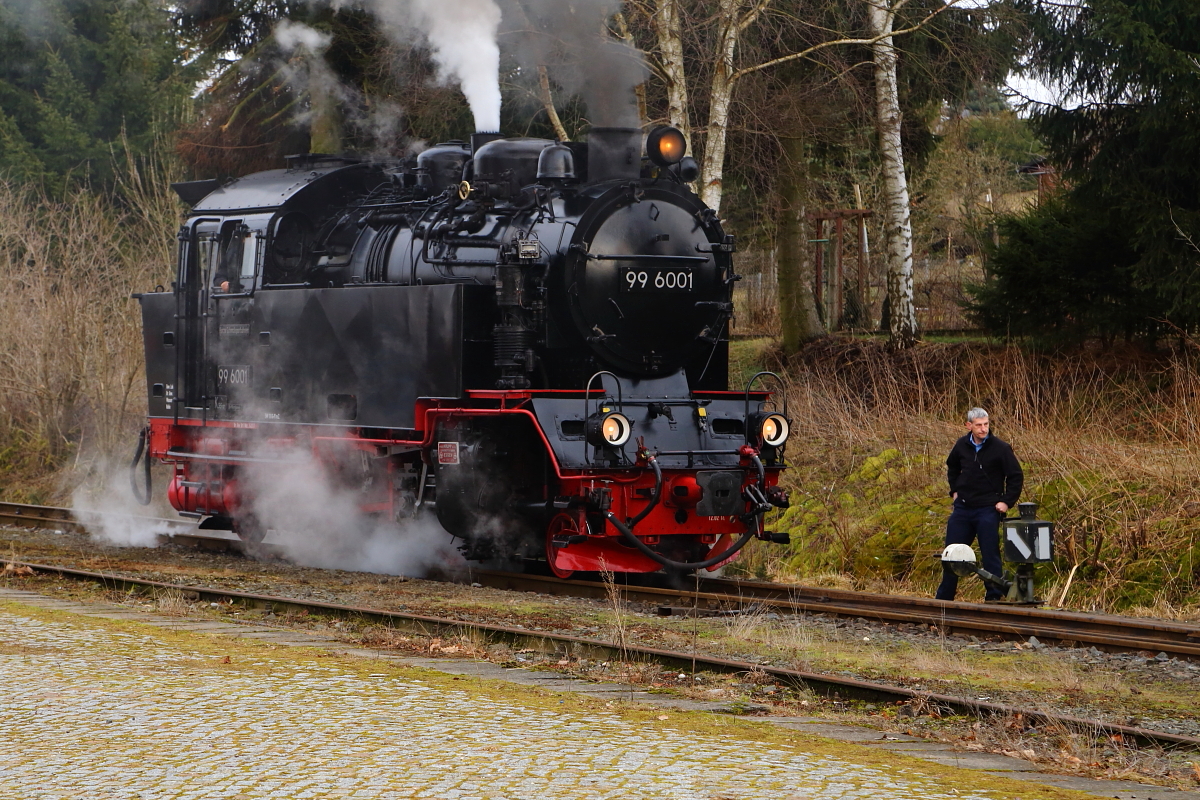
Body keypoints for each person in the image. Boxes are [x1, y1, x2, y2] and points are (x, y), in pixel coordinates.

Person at [937, 407, 1023, 601]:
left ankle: (993, 597)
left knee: (990, 554)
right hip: (963, 508)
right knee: (952, 554)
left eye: (986, 424)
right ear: (969, 426)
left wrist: (1006, 501)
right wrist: (954, 491)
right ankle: (944, 599)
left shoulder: (1000, 448)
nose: (983, 429)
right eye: (978, 425)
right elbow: (952, 467)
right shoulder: (961, 445)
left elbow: (1016, 476)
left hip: (988, 509)